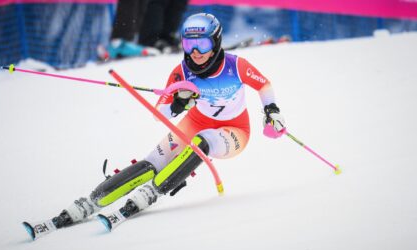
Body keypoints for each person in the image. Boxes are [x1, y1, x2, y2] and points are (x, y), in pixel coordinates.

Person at [51, 13, 286, 228]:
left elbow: (263, 84)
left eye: (202, 44)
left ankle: (153, 191)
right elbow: (159, 114)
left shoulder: (236, 66)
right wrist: (177, 105)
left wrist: (272, 110)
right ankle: (91, 202)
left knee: (202, 141)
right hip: (195, 122)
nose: (195, 52)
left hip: (235, 130)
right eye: (189, 44)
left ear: (215, 42)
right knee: (153, 162)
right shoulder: (181, 72)